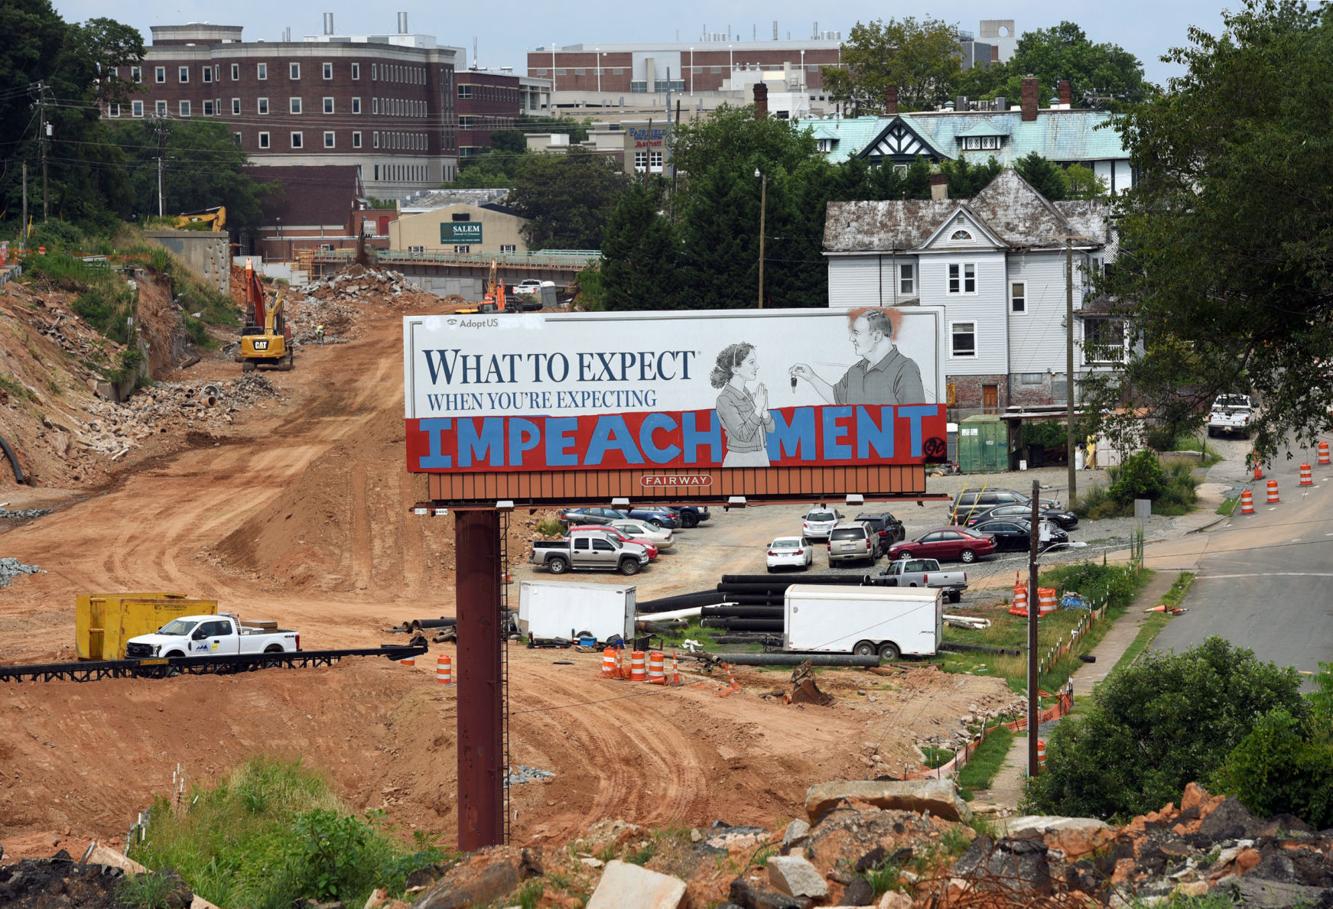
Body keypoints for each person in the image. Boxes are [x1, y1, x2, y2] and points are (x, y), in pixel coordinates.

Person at [789, 306, 926, 405]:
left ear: (877, 336)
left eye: (856, 333)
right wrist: (812, 377)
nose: (851, 339)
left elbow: (916, 421)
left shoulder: (905, 369)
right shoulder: (855, 371)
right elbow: (837, 399)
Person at [711, 342, 773, 468]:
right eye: (751, 362)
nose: (757, 366)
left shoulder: (747, 393)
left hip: (761, 455)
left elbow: (771, 429)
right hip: (740, 460)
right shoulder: (724, 399)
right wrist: (758, 409)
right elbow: (743, 435)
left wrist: (764, 411)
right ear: (735, 369)